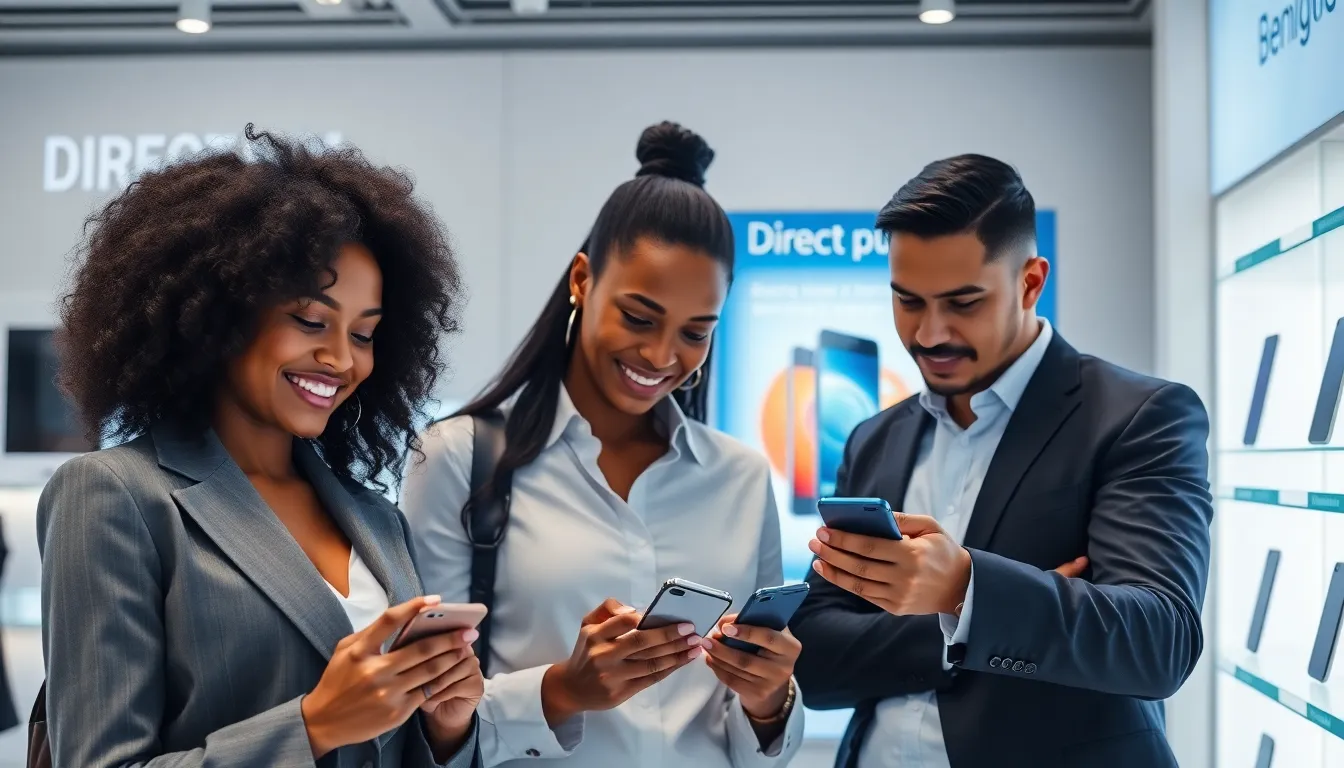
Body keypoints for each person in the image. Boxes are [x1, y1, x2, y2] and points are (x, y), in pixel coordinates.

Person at [38, 126, 483, 768]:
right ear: (217, 313)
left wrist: (446, 729)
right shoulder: (115, 496)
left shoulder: (376, 520)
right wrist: (314, 726)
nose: (339, 358)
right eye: (310, 321)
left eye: (364, 334)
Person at [401, 121, 805, 768]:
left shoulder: (741, 478)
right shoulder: (458, 459)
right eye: (639, 318)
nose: (661, 355)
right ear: (584, 281)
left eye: (696, 332)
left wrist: (770, 703)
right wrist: (563, 691)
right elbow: (422, 719)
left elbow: (751, 750)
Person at [790, 154, 1213, 768]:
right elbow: (816, 657)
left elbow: (1158, 642)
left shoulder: (1140, 416)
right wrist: (967, 616)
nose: (930, 333)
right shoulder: (873, 439)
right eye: (907, 301)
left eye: (963, 302)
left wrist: (966, 589)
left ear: (1031, 283)